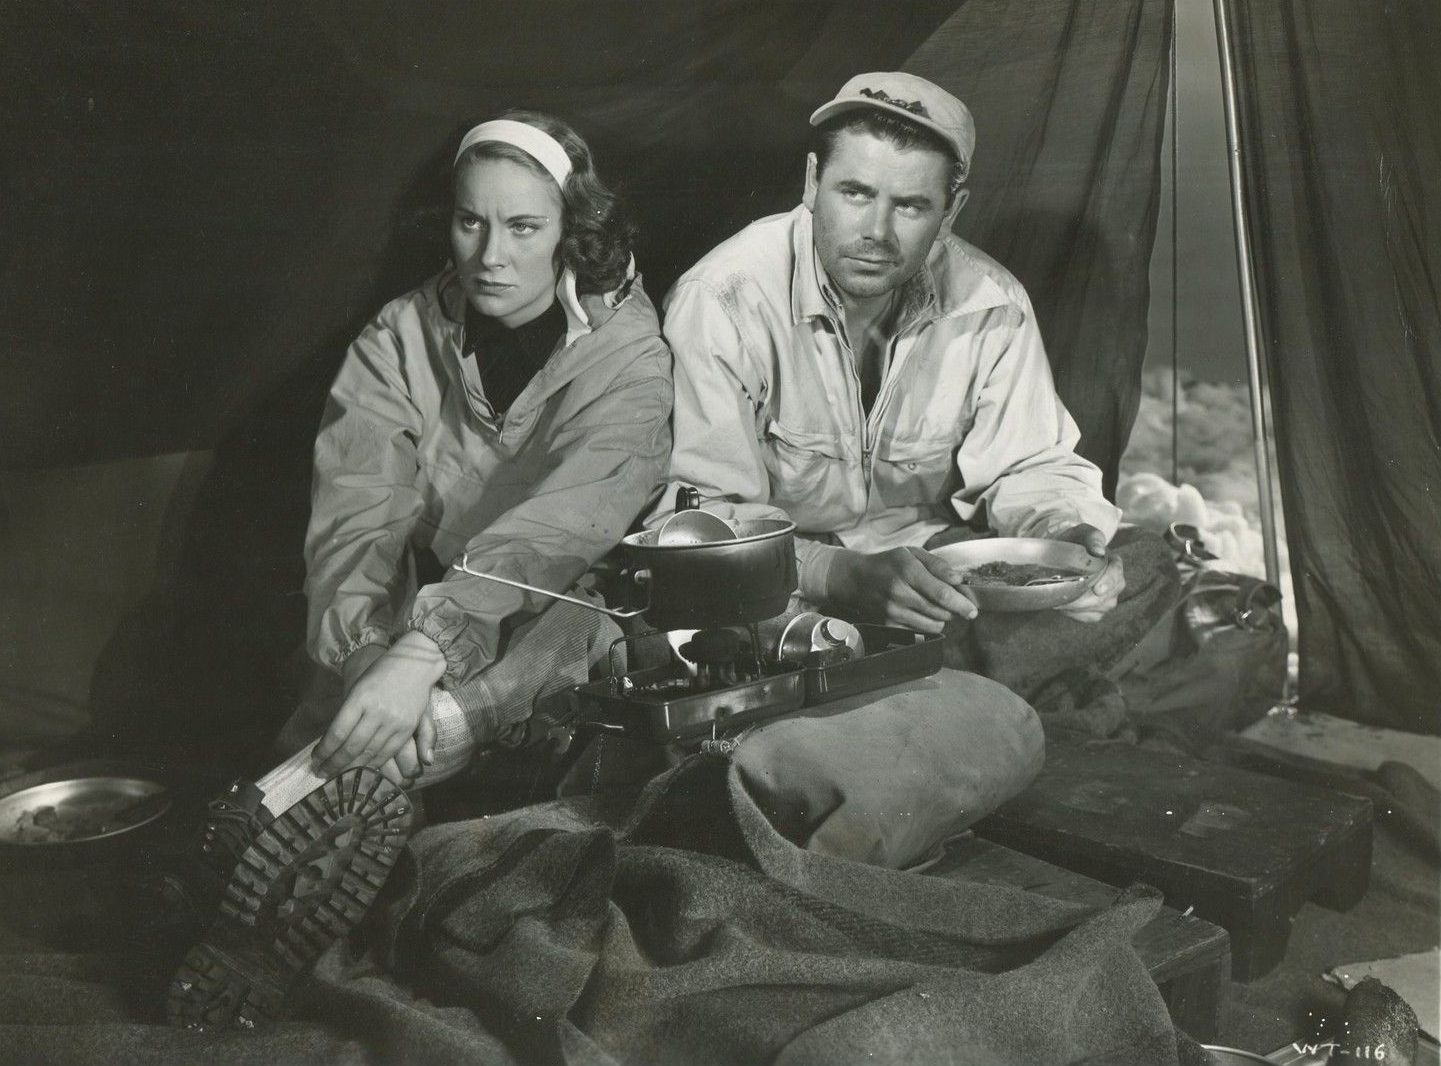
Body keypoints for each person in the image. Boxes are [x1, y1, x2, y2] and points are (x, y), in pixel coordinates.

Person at [166, 110, 673, 1029]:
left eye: (523, 226)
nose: (490, 255)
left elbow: (561, 527)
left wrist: (424, 655)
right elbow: (357, 513)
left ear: (572, 231)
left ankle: (384, 763)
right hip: (431, 592)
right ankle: (271, 862)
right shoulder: (398, 335)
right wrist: (367, 652)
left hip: (561, 590)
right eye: (471, 222)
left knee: (571, 624)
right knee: (345, 708)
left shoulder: (629, 353)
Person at [652, 73, 1169, 870]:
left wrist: (1064, 544)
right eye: (855, 193)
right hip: (781, 589)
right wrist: (837, 576)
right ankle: (920, 701)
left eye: (910, 206)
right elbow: (698, 525)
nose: (876, 232)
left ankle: (875, 701)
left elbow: (1032, 463)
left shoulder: (991, 302)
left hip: (929, 576)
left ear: (950, 211)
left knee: (1141, 561)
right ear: (811, 184)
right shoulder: (721, 299)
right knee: (689, 620)